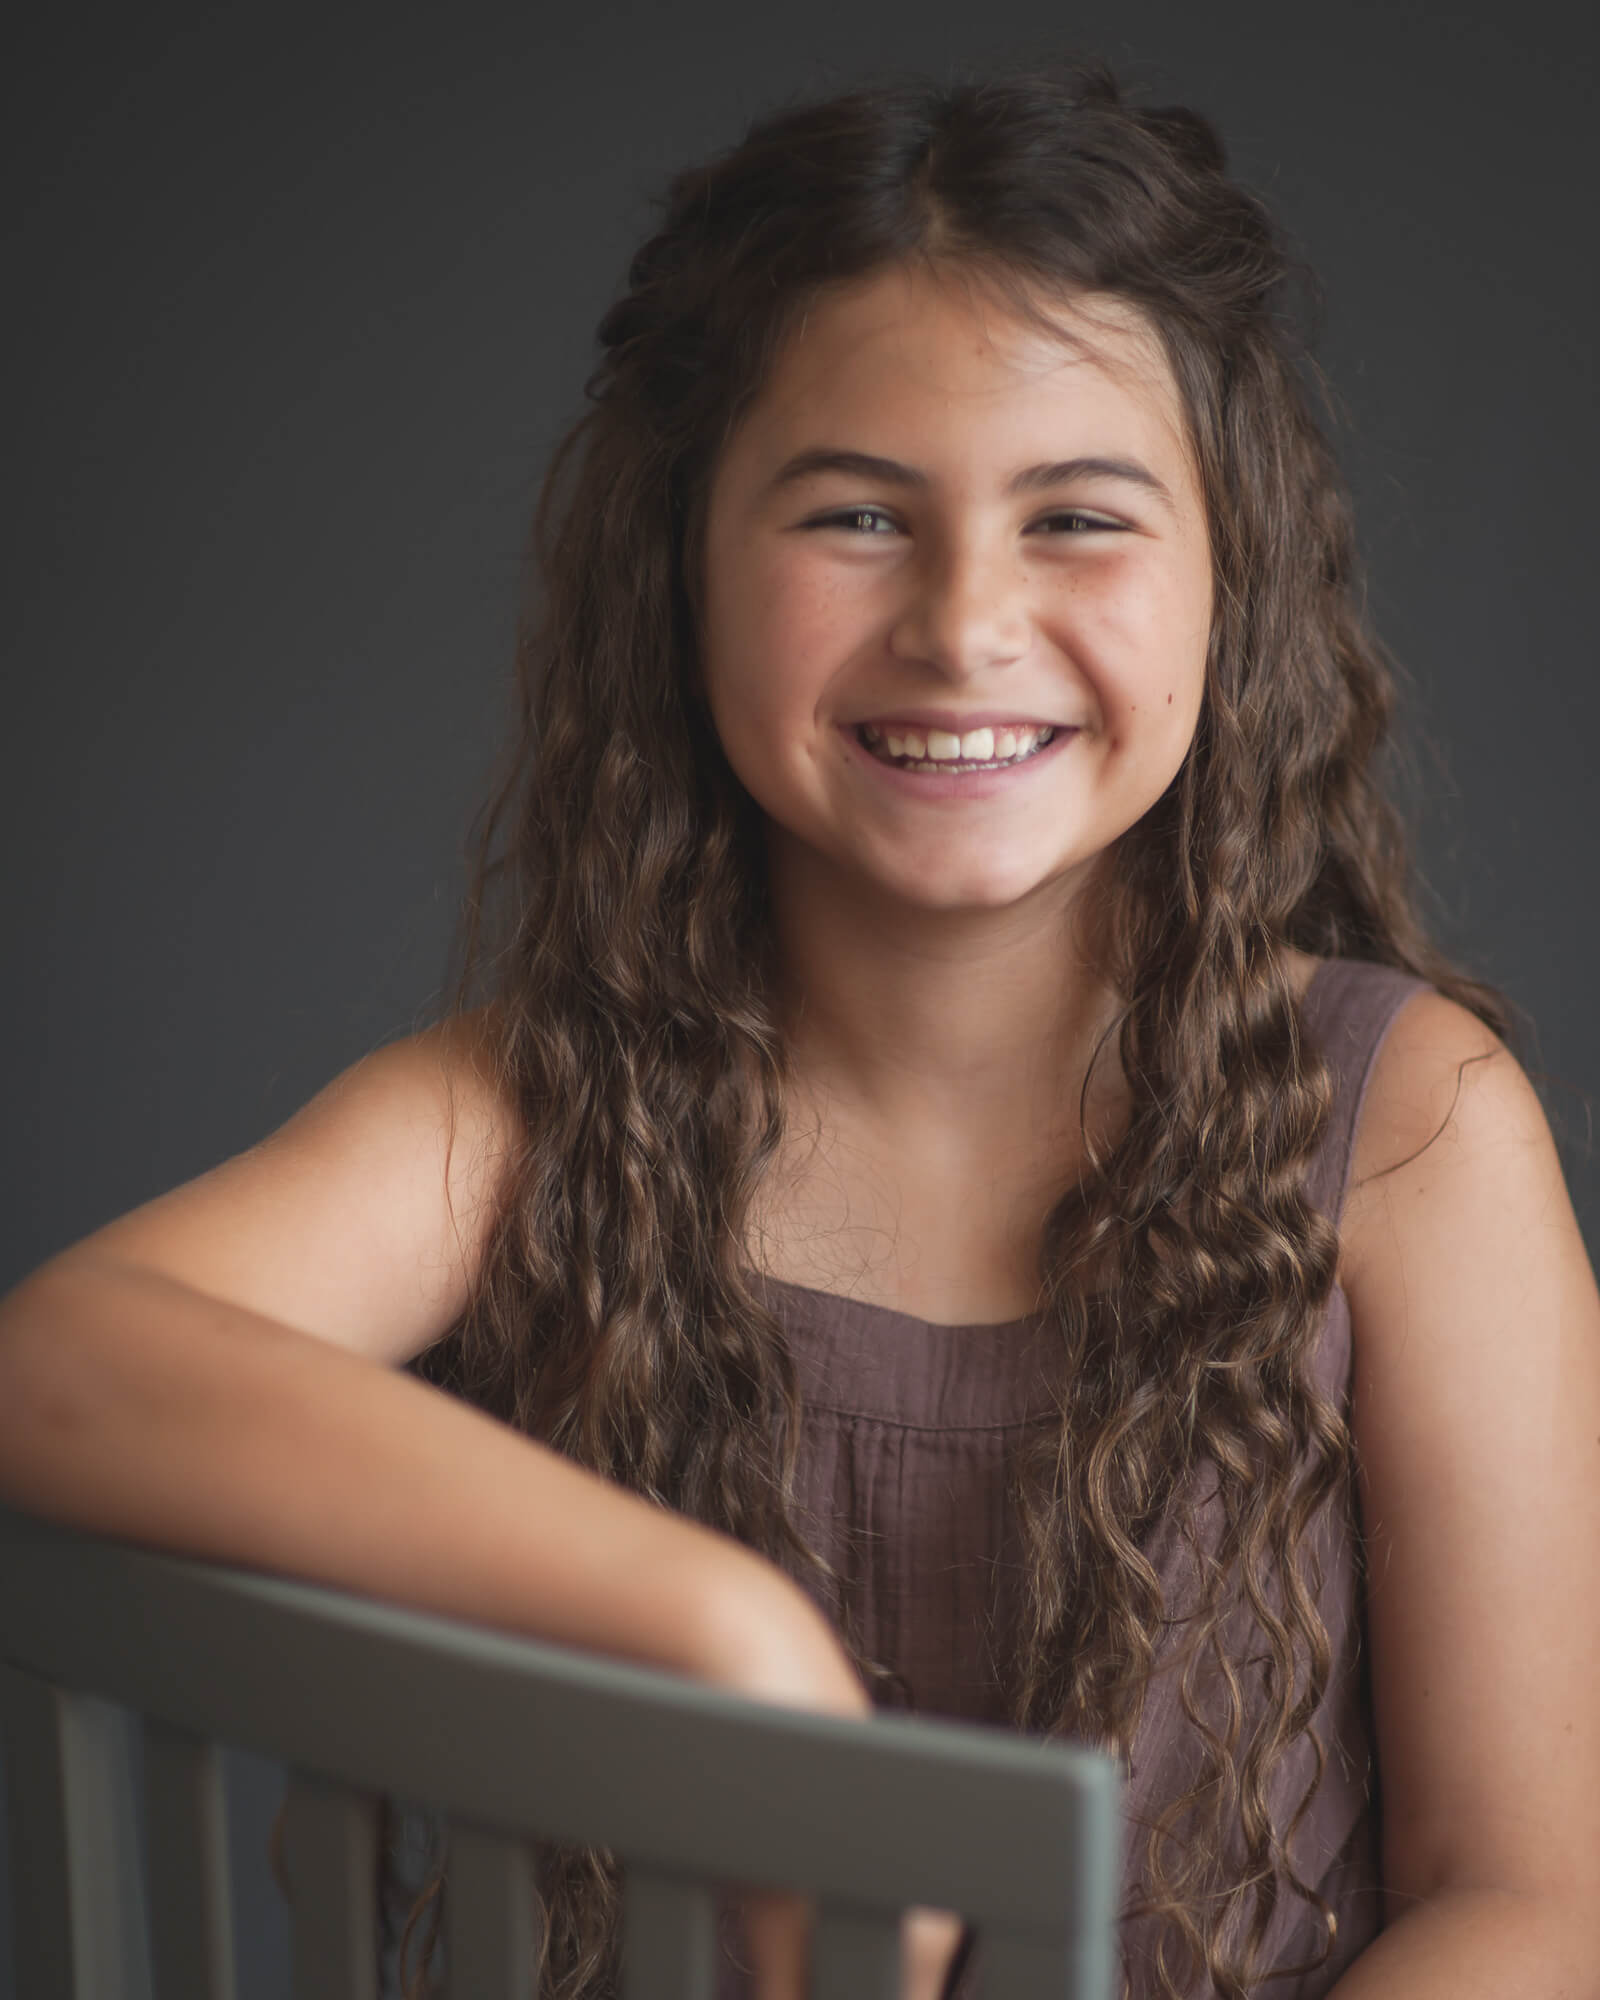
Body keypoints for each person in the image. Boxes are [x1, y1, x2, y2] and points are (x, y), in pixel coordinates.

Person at [1, 55, 1596, 2000]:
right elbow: (56, 1365)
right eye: (852, 514)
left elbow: (1528, 1897)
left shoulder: (1410, 1126)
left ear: (1226, 582)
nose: (960, 620)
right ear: (685, 567)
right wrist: (721, 1633)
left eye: (1075, 517)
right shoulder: (526, 1112)